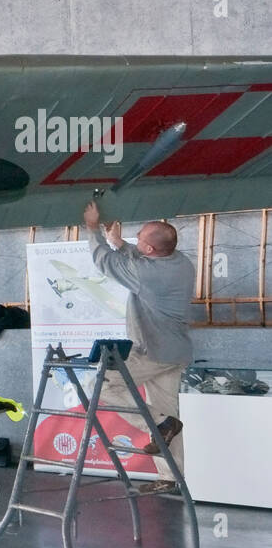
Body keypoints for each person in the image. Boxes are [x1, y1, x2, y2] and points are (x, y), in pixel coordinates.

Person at [82, 200, 195, 478]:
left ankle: (159, 424)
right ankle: (172, 478)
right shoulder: (181, 261)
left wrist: (92, 227)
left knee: (98, 384)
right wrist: (120, 242)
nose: (137, 241)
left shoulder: (146, 274)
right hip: (176, 352)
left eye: (140, 238)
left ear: (149, 249)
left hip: (152, 351)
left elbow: (103, 261)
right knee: (171, 416)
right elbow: (140, 256)